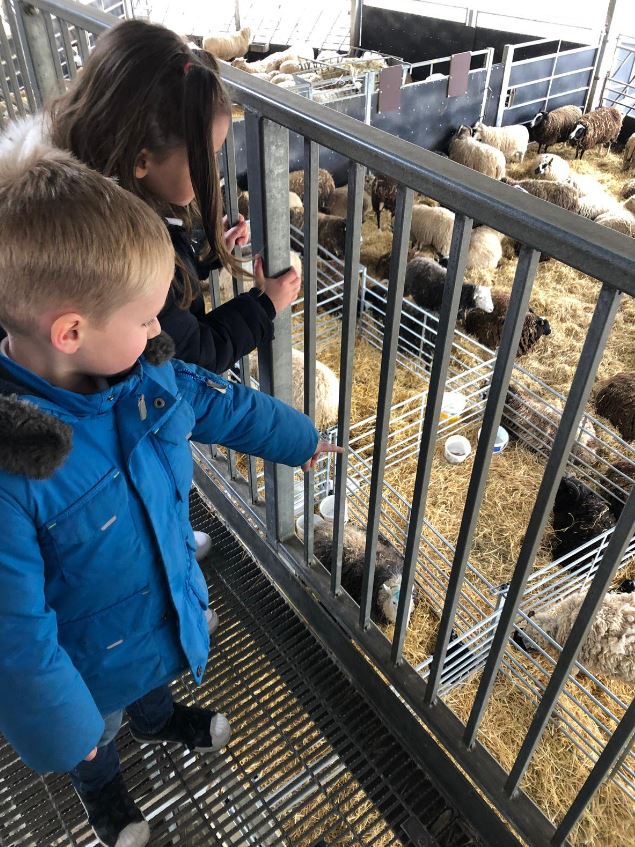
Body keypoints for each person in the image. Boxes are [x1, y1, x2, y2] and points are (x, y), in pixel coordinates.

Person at [0, 134, 338, 847]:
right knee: (100, 734)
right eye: (147, 316)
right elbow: (16, 639)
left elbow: (222, 404)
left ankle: (158, 715)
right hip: (85, 669)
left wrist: (301, 440)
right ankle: (106, 794)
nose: (163, 330)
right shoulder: (13, 471)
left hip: (154, 615)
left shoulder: (144, 375)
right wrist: (69, 736)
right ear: (71, 331)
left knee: (149, 685)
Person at [46, 18, 303, 572]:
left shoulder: (92, 203)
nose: (213, 172)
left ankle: (173, 536)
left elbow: (171, 266)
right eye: (204, 159)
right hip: (119, 435)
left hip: (120, 420)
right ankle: (169, 558)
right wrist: (265, 304)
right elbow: (195, 351)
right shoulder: (118, 266)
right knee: (149, 496)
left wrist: (209, 251)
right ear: (141, 162)